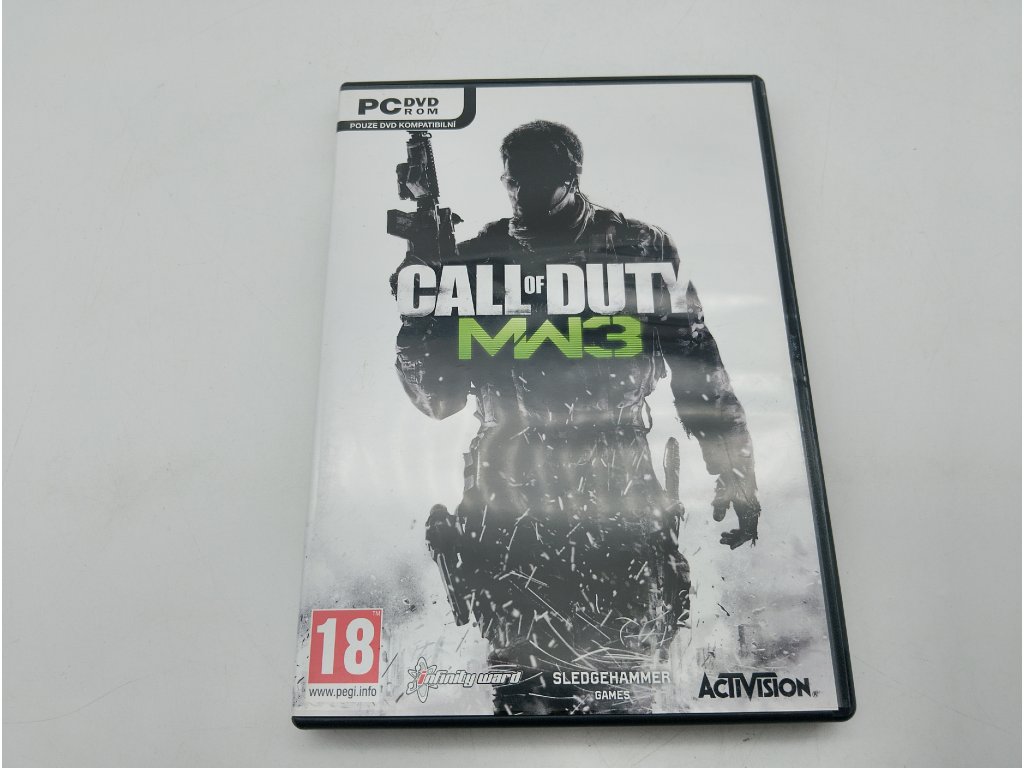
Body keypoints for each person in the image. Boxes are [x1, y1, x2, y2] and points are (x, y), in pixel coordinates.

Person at [394, 120, 760, 715]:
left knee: (627, 685)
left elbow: (698, 367)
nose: (524, 194)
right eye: (514, 181)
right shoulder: (475, 258)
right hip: (511, 504)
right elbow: (437, 399)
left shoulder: (638, 247)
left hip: (617, 494)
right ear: (503, 179)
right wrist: (421, 299)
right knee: (524, 694)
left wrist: (735, 470)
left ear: (573, 175)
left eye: (539, 179)